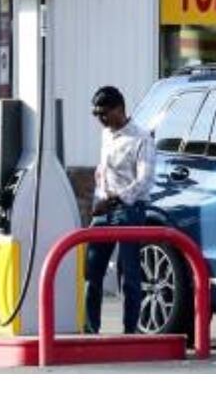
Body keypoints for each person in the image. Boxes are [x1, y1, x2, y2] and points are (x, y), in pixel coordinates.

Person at [86, 85, 154, 334]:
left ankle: (130, 332)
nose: (100, 119)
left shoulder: (141, 138)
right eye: (96, 114)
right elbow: (103, 169)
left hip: (129, 209)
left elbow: (144, 180)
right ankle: (90, 329)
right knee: (92, 273)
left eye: (103, 113)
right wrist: (98, 197)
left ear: (119, 109)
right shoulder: (106, 134)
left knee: (130, 275)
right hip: (103, 208)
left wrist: (114, 199)